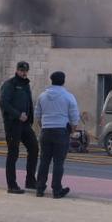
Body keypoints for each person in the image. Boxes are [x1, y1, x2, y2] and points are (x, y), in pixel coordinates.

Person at [34, 70, 80, 199]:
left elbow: (37, 115)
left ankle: (39, 188)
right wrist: (71, 130)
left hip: (46, 132)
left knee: (44, 161)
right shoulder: (68, 96)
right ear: (63, 81)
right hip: (61, 132)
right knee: (58, 162)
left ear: (51, 81)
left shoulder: (42, 96)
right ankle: (57, 190)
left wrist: (44, 126)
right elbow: (75, 117)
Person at [0, 60, 38, 194]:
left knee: (34, 148)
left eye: (25, 70)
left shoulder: (26, 85)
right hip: (13, 124)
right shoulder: (10, 85)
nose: (23, 73)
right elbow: (4, 103)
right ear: (17, 70)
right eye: (21, 70)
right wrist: (17, 115)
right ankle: (12, 185)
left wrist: (31, 119)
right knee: (13, 153)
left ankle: (31, 181)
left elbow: (29, 103)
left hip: (25, 124)